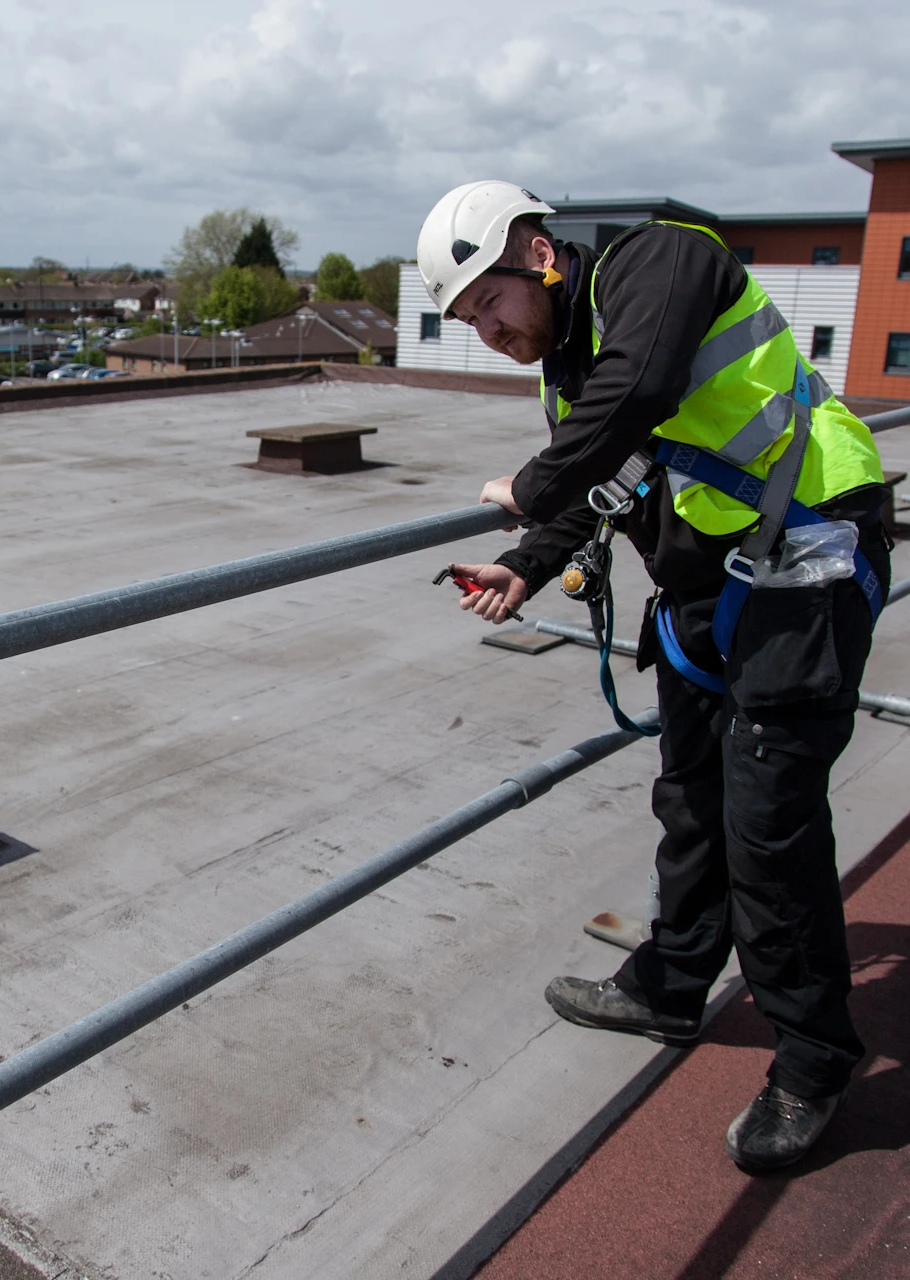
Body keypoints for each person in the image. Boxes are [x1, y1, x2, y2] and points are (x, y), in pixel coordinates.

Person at [416, 181, 892, 1172]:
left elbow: (637, 389)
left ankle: (812, 1063)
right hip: (709, 581)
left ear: (536, 253)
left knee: (766, 824)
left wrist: (529, 487)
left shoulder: (660, 261)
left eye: (489, 302)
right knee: (690, 798)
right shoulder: (565, 372)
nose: (488, 331)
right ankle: (670, 986)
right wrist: (525, 563)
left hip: (808, 547)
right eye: (467, 321)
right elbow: (603, 474)